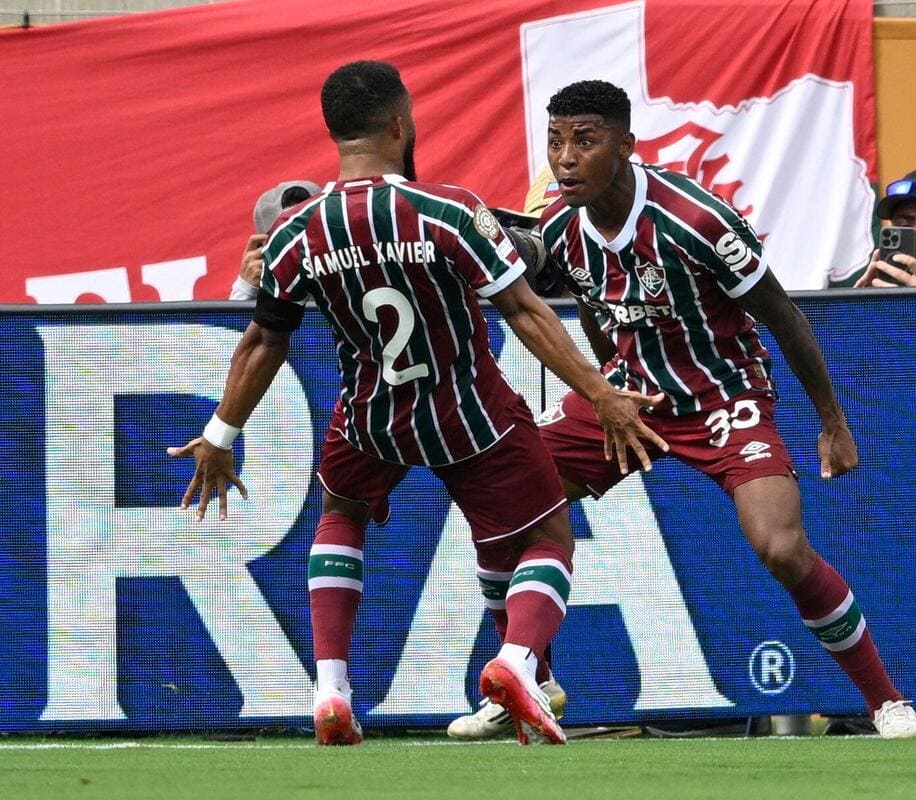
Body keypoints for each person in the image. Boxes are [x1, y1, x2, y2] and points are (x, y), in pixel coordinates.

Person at [171, 61, 666, 747]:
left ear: (334, 132)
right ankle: (519, 663)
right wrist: (601, 392)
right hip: (469, 414)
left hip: (370, 416)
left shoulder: (294, 233)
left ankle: (332, 689)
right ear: (401, 124)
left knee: (341, 513)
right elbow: (525, 311)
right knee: (546, 539)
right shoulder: (448, 210)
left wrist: (221, 434)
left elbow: (262, 342)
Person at [522, 79, 916, 738]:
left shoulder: (696, 218)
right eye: (556, 141)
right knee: (515, 497)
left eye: (585, 140)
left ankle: (885, 700)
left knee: (781, 547)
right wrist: (609, 384)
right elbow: (595, 305)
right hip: (638, 399)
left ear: (626, 145)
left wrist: (832, 420)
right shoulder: (559, 226)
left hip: (723, 398)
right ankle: (529, 680)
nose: (565, 158)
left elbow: (783, 315)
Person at [229, 181, 322, 300]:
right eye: (283, 237)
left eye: (306, 233)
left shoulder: (346, 274)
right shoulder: (262, 290)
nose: (295, 247)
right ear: (262, 250)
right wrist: (245, 289)